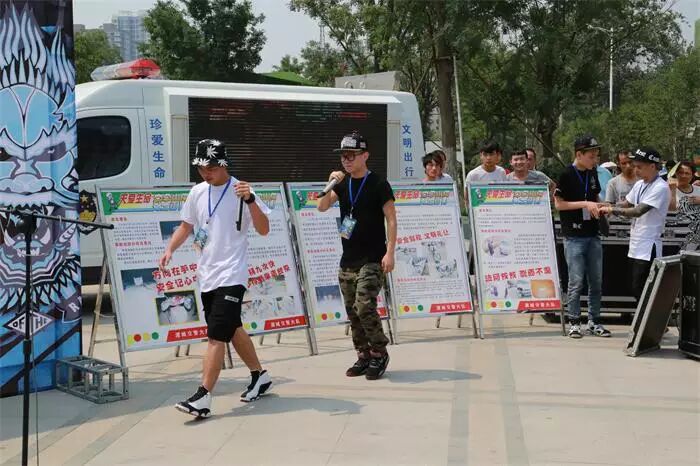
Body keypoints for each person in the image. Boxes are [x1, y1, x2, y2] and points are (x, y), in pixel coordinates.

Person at [160, 139, 273, 418]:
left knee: (215, 336)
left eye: (210, 168)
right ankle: (259, 376)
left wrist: (250, 200)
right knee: (232, 328)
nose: (205, 173)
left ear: (224, 165)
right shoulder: (197, 191)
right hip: (207, 274)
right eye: (201, 168)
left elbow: (264, 229)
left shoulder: (242, 191)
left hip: (233, 274)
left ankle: (203, 396)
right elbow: (187, 225)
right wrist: (170, 249)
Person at [318, 131, 396, 380]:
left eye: (351, 155)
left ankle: (379, 352)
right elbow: (321, 206)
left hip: (373, 258)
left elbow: (391, 219)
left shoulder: (379, 183)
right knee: (353, 311)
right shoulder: (342, 184)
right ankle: (363, 355)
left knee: (364, 306)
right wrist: (330, 182)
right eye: (343, 156)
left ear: (365, 155)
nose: (346, 160)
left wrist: (390, 253)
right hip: (348, 259)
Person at [554, 134, 611, 339]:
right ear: (579, 154)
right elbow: (559, 204)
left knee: (596, 282)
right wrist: (585, 204)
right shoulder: (566, 174)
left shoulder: (593, 173)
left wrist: (603, 206)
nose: (595, 160)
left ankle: (594, 321)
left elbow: (594, 196)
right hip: (573, 236)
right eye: (591, 156)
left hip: (593, 234)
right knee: (576, 281)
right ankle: (574, 322)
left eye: (596, 156)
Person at [599, 147, 670, 303]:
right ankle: (646, 316)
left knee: (642, 288)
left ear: (652, 166)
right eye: (634, 165)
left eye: (639, 167)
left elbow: (638, 211)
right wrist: (607, 206)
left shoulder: (660, 187)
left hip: (648, 246)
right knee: (633, 287)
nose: (635, 169)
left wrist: (612, 210)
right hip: (635, 244)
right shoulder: (640, 184)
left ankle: (653, 316)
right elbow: (627, 203)